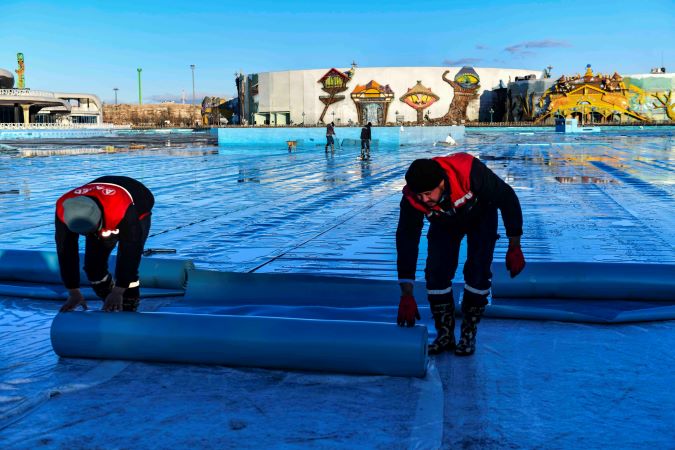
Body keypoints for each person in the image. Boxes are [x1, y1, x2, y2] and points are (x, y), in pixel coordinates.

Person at [395, 153, 525, 356]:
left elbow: (507, 197)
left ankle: (468, 334)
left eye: (428, 193)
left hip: (481, 214)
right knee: (436, 272)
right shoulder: (413, 198)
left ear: (441, 183)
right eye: (420, 195)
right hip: (444, 221)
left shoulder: (468, 170)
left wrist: (514, 244)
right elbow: (407, 240)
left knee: (478, 271)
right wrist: (406, 293)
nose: (424, 199)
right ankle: (445, 334)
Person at [55, 176, 155, 313]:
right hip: (98, 205)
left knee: (127, 265)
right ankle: (110, 301)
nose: (86, 236)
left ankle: (129, 303)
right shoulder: (64, 209)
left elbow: (130, 252)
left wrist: (119, 291)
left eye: (90, 231)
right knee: (93, 267)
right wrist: (73, 291)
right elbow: (66, 250)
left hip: (137, 200)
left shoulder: (122, 209)